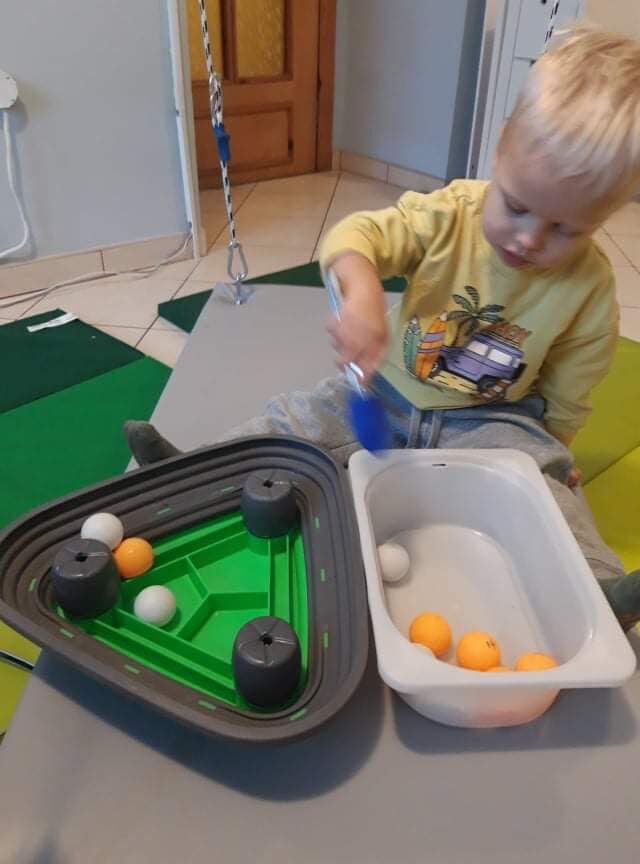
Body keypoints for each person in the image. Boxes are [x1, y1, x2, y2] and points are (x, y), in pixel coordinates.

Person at [126, 28, 640, 629]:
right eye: (518, 206)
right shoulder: (450, 214)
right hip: (383, 390)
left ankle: (598, 590)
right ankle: (191, 470)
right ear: (500, 153)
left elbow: (570, 390)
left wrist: (552, 451)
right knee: (290, 421)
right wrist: (364, 289)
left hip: (491, 421)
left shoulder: (591, 290)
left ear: (605, 218)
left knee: (551, 492)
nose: (529, 238)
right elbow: (357, 235)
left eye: (565, 230)